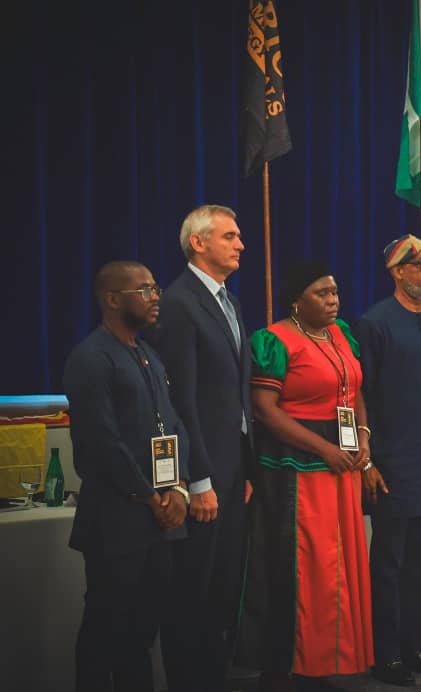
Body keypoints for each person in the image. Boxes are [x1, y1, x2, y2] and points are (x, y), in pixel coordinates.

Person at [236, 260, 374, 690]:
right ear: (297, 300)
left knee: (338, 568)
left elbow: (355, 392)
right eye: (322, 293)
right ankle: (289, 665)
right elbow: (264, 410)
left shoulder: (341, 334)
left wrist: (363, 438)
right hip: (297, 472)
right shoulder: (274, 341)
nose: (333, 301)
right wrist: (324, 449)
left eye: (335, 292)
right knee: (305, 567)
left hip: (342, 468)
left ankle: (328, 661)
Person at [64, 260, 190, 691]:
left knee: (140, 636)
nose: (156, 298)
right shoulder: (91, 358)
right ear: (113, 299)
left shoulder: (148, 355)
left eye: (156, 289)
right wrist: (151, 497)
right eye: (145, 290)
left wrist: (178, 488)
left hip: (160, 521)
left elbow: (174, 425)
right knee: (105, 631)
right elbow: (103, 443)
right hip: (116, 520)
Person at [149, 204, 253, 691]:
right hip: (204, 475)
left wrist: (245, 468)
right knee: (192, 589)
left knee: (223, 588)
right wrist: (198, 479)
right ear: (198, 242)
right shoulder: (180, 302)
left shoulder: (229, 301)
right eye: (229, 236)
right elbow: (182, 402)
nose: (240, 244)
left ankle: (213, 678)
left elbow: (235, 396)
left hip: (233, 471)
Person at [354, 235, 421, 686]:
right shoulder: (374, 323)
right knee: (389, 565)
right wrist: (368, 460)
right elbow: (362, 395)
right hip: (392, 463)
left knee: (420, 562)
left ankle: (415, 647)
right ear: (397, 272)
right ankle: (386, 654)